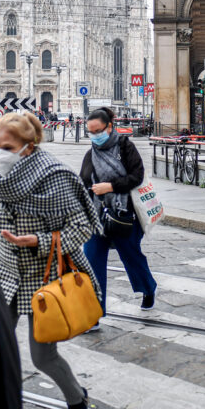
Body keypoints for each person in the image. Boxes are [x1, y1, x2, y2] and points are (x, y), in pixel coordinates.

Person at [0, 111, 98, 409]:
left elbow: (82, 226)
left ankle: (77, 400)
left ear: (29, 145)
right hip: (4, 273)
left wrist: (38, 240)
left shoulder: (56, 177)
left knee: (42, 358)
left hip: (42, 277)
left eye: (6, 148)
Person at [80, 107, 158, 320]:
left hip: (124, 214)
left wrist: (111, 187)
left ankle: (148, 288)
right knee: (92, 261)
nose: (94, 136)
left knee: (131, 257)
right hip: (96, 217)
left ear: (110, 127)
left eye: (98, 131)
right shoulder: (91, 154)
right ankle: (94, 313)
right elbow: (83, 183)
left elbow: (137, 176)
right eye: (91, 132)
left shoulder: (125, 147)